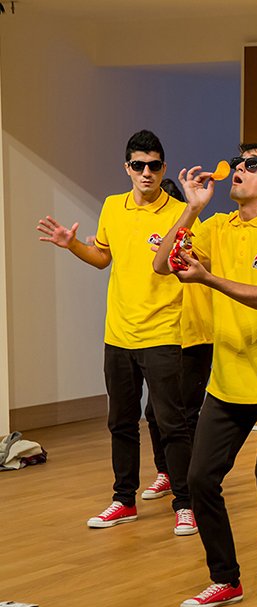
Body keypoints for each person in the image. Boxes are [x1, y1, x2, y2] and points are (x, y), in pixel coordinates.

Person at [153, 143, 257, 607]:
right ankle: (226, 579)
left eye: (252, 165)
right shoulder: (217, 226)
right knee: (199, 479)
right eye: (239, 163)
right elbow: (162, 264)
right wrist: (191, 209)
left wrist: (209, 280)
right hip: (227, 380)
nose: (239, 169)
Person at [36, 130, 196, 536]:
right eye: (138, 165)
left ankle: (185, 503)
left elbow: (184, 263)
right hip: (118, 334)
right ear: (127, 167)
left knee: (171, 424)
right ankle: (124, 500)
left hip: (163, 332)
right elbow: (103, 258)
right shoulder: (112, 206)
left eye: (154, 165)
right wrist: (73, 244)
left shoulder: (181, 211)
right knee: (121, 422)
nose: (146, 172)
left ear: (163, 167)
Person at [143, 178, 214, 502]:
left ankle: (193, 478)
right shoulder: (154, 240)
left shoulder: (198, 235)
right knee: (153, 412)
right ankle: (167, 472)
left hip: (195, 336)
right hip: (164, 335)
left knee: (185, 414)